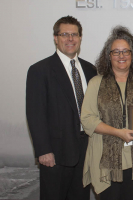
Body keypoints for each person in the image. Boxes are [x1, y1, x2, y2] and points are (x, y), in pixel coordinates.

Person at [81, 26, 133, 200]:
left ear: (132, 55)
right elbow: (87, 119)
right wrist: (118, 133)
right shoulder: (96, 83)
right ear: (108, 56)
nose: (121, 56)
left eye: (125, 51)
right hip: (106, 162)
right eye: (116, 52)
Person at [26, 16, 97, 200]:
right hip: (55, 154)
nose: (70, 39)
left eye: (74, 34)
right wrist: (43, 150)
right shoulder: (40, 70)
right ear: (55, 38)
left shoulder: (91, 70)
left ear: (80, 38)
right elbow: (35, 113)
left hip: (85, 150)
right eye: (64, 34)